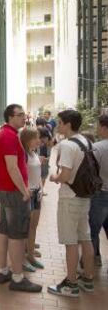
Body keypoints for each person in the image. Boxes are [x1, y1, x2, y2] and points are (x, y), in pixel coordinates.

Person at [0, 104, 42, 293]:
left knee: (4, 229)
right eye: (20, 115)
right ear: (10, 117)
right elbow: (12, 167)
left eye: (23, 114)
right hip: (13, 192)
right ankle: (18, 277)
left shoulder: (6, 134)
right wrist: (24, 190)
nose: (24, 117)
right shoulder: (9, 136)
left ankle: (3, 270)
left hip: (6, 190)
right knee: (17, 234)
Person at [47, 110, 94, 297]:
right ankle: (88, 279)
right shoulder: (86, 141)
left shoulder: (67, 145)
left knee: (70, 242)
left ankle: (71, 283)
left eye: (59, 122)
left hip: (69, 198)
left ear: (67, 124)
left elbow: (65, 175)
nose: (57, 125)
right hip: (84, 197)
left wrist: (54, 177)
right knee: (85, 237)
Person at [20, 127, 44, 271]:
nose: (38, 140)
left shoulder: (33, 153)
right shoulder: (23, 155)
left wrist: (41, 188)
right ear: (28, 139)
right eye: (36, 137)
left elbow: (38, 173)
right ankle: (22, 258)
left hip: (37, 193)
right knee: (25, 227)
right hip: (27, 193)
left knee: (33, 226)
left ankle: (30, 255)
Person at [89, 114, 108, 269]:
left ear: (103, 127)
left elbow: (91, 173)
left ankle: (93, 258)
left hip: (100, 193)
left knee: (92, 230)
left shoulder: (98, 147)